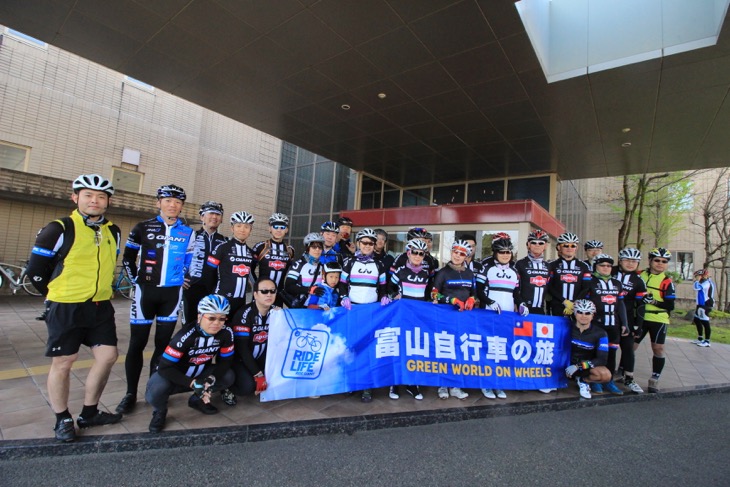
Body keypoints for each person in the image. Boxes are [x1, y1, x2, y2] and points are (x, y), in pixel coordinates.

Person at [27, 174, 122, 442]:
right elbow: (35, 270)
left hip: (101, 305)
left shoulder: (112, 230)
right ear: (75, 197)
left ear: (107, 202)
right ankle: (62, 418)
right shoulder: (59, 228)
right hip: (66, 306)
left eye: (101, 196)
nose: (95, 200)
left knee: (107, 356)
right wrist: (53, 294)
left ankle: (89, 412)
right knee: (64, 363)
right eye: (89, 195)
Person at [117, 184, 194, 415]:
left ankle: (154, 390)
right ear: (158, 202)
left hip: (171, 295)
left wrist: (184, 277)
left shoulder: (188, 232)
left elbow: (189, 261)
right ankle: (130, 393)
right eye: (168, 200)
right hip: (145, 293)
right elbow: (128, 258)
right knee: (136, 345)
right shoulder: (142, 227)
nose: (173, 205)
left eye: (178, 202)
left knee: (162, 347)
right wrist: (136, 281)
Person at [145, 294, 235, 432]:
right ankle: (159, 411)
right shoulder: (185, 336)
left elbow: (226, 361)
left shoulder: (226, 333)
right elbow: (164, 368)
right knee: (157, 388)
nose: (217, 323)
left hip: (200, 374)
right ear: (200, 317)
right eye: (211, 318)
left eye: (222, 318)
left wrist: (211, 379)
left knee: (228, 375)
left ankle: (196, 400)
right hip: (174, 376)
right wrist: (192, 384)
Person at [341, 228, 390, 402]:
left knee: (368, 349)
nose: (368, 246)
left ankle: (367, 387)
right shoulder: (349, 262)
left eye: (371, 243)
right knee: (352, 347)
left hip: (371, 311)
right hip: (353, 310)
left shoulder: (380, 264)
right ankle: (351, 383)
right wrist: (343, 296)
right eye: (364, 242)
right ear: (359, 244)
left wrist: (384, 296)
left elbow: (384, 287)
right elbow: (342, 284)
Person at [479, 236, 526, 400]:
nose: (506, 255)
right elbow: (478, 290)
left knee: (502, 350)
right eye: (502, 252)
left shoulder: (514, 270)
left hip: (507, 315)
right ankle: (486, 383)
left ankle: (498, 383)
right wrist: (489, 302)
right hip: (489, 313)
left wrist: (521, 304)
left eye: (508, 252)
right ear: (495, 253)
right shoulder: (487, 267)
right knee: (489, 349)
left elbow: (516, 293)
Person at [431, 239, 477, 400]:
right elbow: (434, 294)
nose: (457, 256)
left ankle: (456, 385)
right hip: (445, 315)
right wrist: (451, 300)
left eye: (462, 254)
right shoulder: (443, 272)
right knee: (445, 349)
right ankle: (442, 385)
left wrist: (472, 300)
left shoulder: (469, 273)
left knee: (460, 350)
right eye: (455, 252)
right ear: (451, 253)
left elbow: (474, 292)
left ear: (466, 256)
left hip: (464, 317)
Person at [222, 279, 279, 405]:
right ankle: (226, 388)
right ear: (255, 294)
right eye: (264, 291)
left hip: (261, 358)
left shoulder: (277, 313)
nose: (269, 294)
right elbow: (242, 349)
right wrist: (258, 374)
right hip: (240, 359)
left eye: (272, 291)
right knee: (247, 386)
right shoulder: (244, 314)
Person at [388, 239, 432, 400]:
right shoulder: (400, 271)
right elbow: (389, 287)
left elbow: (429, 294)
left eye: (421, 254)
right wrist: (393, 295)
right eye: (415, 252)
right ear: (408, 253)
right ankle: (394, 383)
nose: (417, 256)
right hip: (401, 316)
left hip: (418, 317)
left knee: (414, 349)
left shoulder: (426, 273)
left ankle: (412, 383)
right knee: (399, 348)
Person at [582, 254, 628, 395]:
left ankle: (609, 381)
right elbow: (584, 301)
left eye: (609, 266)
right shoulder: (590, 282)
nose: (606, 268)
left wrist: (625, 323)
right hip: (596, 324)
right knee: (596, 353)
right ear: (595, 266)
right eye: (602, 265)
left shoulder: (616, 283)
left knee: (611, 353)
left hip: (613, 323)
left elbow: (620, 304)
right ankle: (596, 381)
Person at [635, 248, 676, 393]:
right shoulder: (639, 275)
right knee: (631, 346)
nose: (660, 264)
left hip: (658, 318)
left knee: (658, 348)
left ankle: (655, 377)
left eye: (664, 262)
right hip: (640, 317)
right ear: (650, 260)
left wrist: (654, 302)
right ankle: (624, 372)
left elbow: (670, 305)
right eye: (657, 260)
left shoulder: (666, 282)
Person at [182, 201, 227, 326]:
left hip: (214, 291)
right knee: (189, 325)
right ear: (202, 216)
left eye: (218, 214)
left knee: (211, 326)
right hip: (191, 289)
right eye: (211, 213)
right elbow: (177, 258)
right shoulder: (190, 236)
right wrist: (179, 277)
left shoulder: (225, 241)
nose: (214, 217)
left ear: (221, 219)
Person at [207, 211, 256, 317]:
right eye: (238, 226)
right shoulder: (222, 247)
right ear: (232, 228)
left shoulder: (251, 253)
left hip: (241, 300)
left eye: (246, 227)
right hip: (221, 298)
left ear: (250, 230)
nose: (242, 230)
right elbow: (208, 272)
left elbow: (252, 275)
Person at [613, 247, 646, 393]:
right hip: (608, 317)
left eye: (635, 261)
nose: (631, 263)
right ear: (620, 260)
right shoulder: (610, 271)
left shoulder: (638, 281)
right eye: (627, 260)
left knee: (628, 349)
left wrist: (638, 325)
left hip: (627, 319)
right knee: (609, 348)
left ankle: (630, 378)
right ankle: (607, 377)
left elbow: (641, 306)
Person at [564, 299, 612, 400]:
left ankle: (583, 381)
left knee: (606, 375)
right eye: (580, 312)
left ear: (593, 315)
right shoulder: (565, 326)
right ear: (575, 313)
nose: (583, 316)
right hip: (564, 364)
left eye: (587, 313)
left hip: (583, 366)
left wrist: (578, 366)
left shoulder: (601, 333)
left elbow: (602, 360)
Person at [252, 213, 295, 307]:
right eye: (275, 226)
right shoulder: (261, 247)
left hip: (278, 296)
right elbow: (250, 270)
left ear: (286, 230)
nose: (279, 230)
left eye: (282, 227)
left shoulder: (290, 250)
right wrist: (257, 287)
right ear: (270, 229)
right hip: (261, 294)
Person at [547, 232, 591, 316]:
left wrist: (574, 303)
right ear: (559, 247)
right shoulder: (552, 265)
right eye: (566, 245)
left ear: (576, 248)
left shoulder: (583, 266)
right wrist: (565, 301)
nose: (569, 248)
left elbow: (586, 288)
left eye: (573, 246)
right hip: (557, 306)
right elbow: (549, 286)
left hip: (578, 307)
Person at [514, 229, 551, 315]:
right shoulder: (520, 264)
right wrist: (518, 303)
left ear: (545, 246)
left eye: (541, 243)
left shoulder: (548, 266)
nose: (537, 245)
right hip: (523, 308)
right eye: (534, 242)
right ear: (528, 245)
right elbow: (515, 287)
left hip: (541, 309)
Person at [284, 232, 324, 308]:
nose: (317, 250)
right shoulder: (298, 265)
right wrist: (308, 290)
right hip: (301, 307)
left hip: (317, 307)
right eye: (314, 247)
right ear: (308, 248)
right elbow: (288, 287)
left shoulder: (322, 266)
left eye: (320, 247)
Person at [692, 268, 715, 347]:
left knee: (705, 322)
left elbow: (696, 287)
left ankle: (707, 341)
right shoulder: (704, 282)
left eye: (698, 276)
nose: (696, 277)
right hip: (700, 304)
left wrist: (697, 280)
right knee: (697, 320)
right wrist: (697, 281)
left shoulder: (707, 283)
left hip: (705, 304)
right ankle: (700, 338)